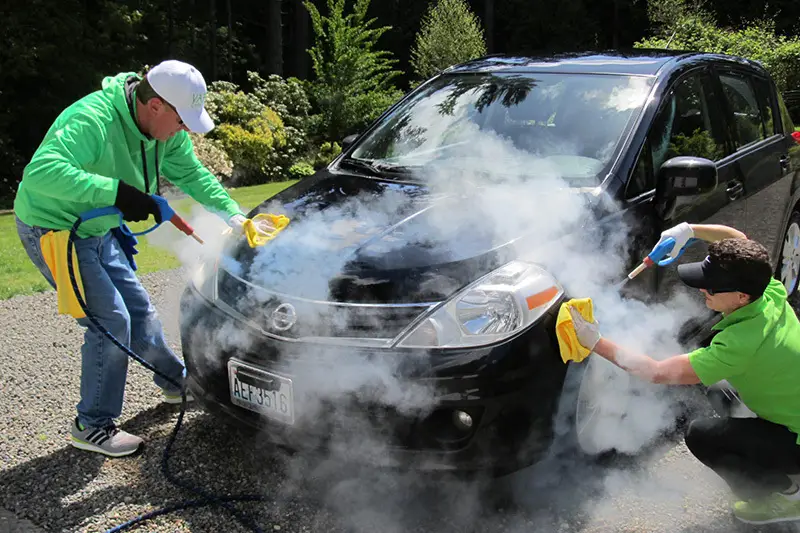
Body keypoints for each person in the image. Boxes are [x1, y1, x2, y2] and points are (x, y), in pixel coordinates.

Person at [14, 59, 252, 458]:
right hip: (53, 229)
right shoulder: (93, 118)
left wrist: (234, 214)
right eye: (182, 120)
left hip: (96, 228)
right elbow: (41, 173)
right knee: (111, 321)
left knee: (140, 313)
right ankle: (92, 425)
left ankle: (177, 383)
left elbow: (192, 174)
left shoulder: (165, 133)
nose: (186, 130)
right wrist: (118, 193)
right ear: (156, 105)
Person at [569, 222, 800, 525]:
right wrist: (689, 230)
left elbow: (656, 372)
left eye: (712, 286)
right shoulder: (767, 291)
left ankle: (787, 494)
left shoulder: (740, 343)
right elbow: (739, 238)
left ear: (741, 297)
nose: (703, 288)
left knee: (701, 435)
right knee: (716, 389)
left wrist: (595, 342)